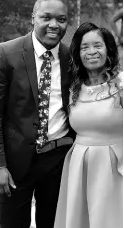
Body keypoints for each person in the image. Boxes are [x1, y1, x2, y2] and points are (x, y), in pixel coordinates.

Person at [0, 0, 75, 228]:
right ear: (33, 18)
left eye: (61, 19)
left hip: (58, 160)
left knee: (53, 223)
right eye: (46, 17)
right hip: (15, 162)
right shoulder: (5, 53)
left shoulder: (71, 57)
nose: (54, 25)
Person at [54, 22, 123, 228]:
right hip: (79, 165)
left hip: (115, 166)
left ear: (108, 50)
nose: (91, 52)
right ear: (77, 53)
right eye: (84, 47)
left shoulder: (121, 83)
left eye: (97, 45)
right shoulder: (73, 87)